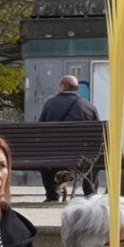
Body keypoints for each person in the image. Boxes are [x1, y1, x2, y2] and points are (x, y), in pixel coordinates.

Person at [36, 74, 100, 202]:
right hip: (82, 156)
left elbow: (41, 128)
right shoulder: (88, 106)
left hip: (54, 153)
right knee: (95, 161)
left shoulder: (50, 104)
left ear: (63, 86)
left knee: (45, 162)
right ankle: (90, 193)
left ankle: (52, 195)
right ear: (77, 88)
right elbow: (97, 135)